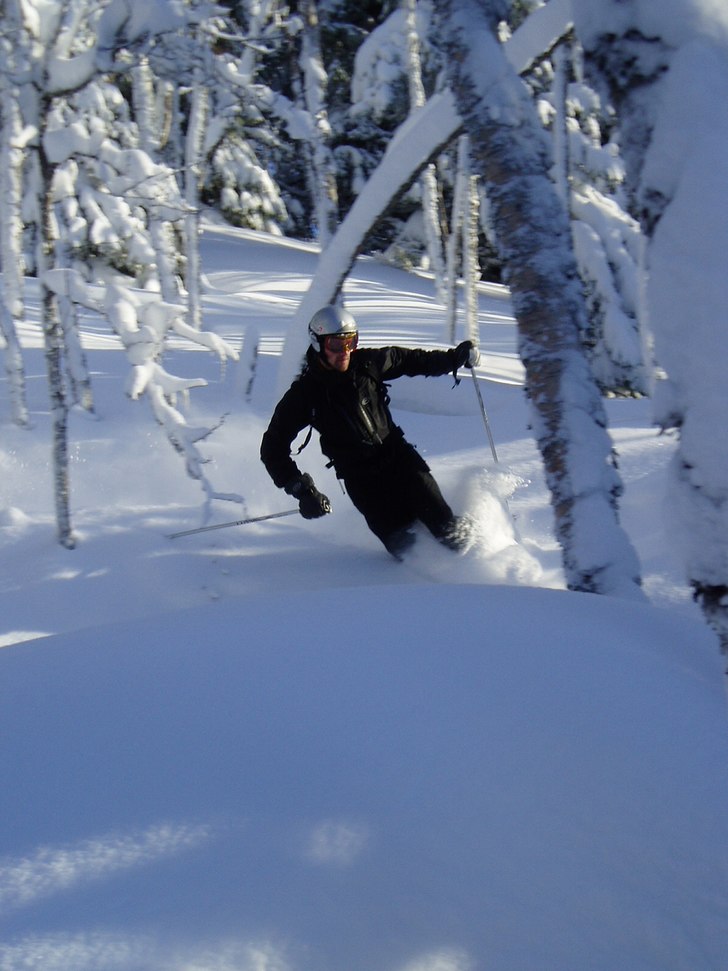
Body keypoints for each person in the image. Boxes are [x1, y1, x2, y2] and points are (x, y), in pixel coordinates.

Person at [260, 305, 480, 559]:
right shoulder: (305, 395)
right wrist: (303, 491)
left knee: (447, 530)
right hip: (361, 479)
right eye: (335, 345)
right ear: (318, 343)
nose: (345, 352)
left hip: (399, 458)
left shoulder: (367, 364)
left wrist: (455, 359)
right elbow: (272, 448)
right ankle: (424, 588)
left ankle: (485, 561)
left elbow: (410, 360)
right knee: (405, 546)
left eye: (350, 342)